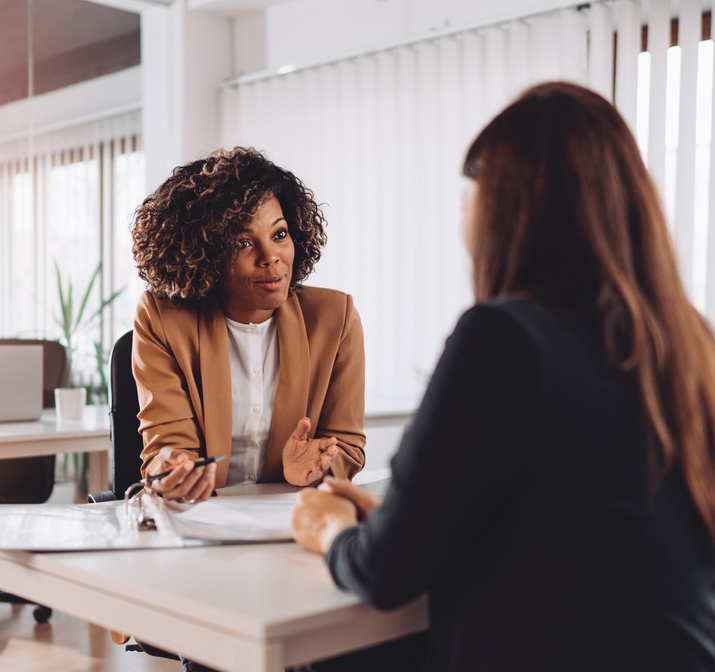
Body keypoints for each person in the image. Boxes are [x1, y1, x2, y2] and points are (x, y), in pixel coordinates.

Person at [293, 81, 715, 672]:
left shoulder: (505, 338)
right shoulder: (688, 340)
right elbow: (574, 524)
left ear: (505, 211)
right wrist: (400, 520)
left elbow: (383, 572)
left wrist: (334, 531)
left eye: (469, 202)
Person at [130, 146, 366, 506]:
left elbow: (346, 445)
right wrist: (173, 470)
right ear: (204, 255)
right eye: (243, 242)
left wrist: (318, 467)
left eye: (279, 234)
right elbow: (166, 444)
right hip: (199, 521)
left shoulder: (335, 318)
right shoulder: (162, 319)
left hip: (290, 522)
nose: (270, 256)